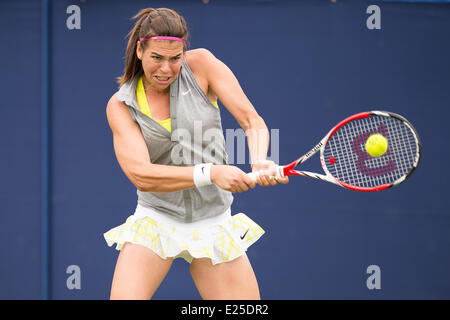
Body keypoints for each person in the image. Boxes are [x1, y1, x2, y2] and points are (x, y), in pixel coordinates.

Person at [103, 7, 288, 300]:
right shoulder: (121, 105)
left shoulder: (202, 64)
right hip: (156, 217)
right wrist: (211, 173)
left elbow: (252, 122)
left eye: (175, 59)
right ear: (140, 50)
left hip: (213, 219)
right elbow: (142, 174)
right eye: (157, 58)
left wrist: (259, 158)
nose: (166, 69)